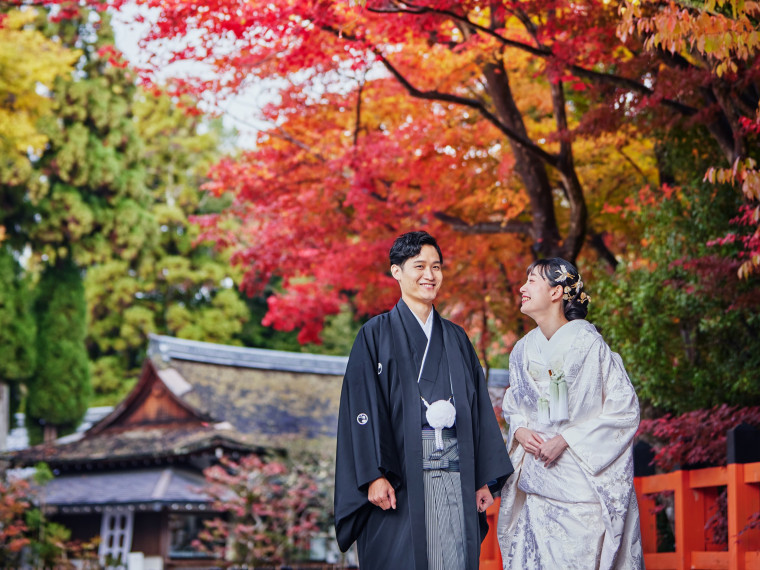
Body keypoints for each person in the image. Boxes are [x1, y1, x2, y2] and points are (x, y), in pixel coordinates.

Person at [334, 231, 513, 570]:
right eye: (419, 266)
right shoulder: (374, 335)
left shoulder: (457, 338)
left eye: (437, 267)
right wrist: (372, 475)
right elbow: (360, 409)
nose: (429, 275)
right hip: (398, 477)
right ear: (396, 271)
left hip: (455, 477)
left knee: (454, 557)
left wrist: (483, 479)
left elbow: (477, 412)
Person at [497, 258, 643, 569]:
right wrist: (520, 429)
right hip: (536, 490)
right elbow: (514, 405)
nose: (522, 288)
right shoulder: (521, 350)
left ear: (556, 292)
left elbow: (624, 409)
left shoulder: (590, 344)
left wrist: (567, 439)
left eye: (533, 280)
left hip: (580, 495)